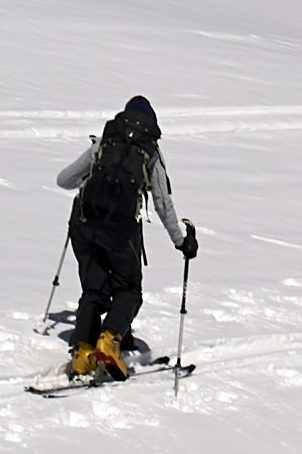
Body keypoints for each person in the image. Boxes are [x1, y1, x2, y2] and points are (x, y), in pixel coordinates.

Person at [54, 96, 198, 381]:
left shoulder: (104, 141)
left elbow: (64, 180)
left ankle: (83, 353)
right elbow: (162, 203)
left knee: (94, 290)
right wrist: (181, 241)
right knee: (129, 290)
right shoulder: (151, 152)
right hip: (121, 232)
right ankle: (110, 341)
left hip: (84, 223)